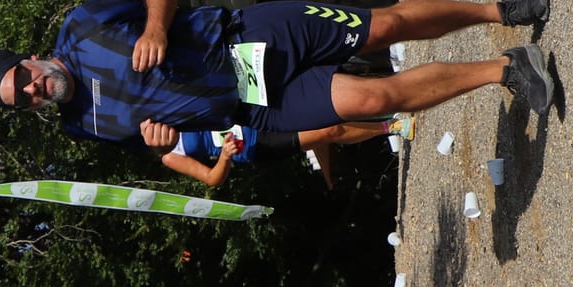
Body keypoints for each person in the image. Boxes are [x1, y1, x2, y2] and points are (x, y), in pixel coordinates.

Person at [0, 0, 552, 149]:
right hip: (252, 104)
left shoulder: (81, 27)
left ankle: (500, 11)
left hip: (252, 37)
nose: (31, 90)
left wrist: (154, 26)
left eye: (22, 78)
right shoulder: (83, 127)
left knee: (384, 27)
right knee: (376, 98)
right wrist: (160, 141)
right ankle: (507, 69)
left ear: (31, 59)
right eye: (21, 100)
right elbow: (161, 137)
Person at [155, 116, 415, 189]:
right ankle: (392, 127)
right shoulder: (169, 155)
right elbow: (213, 179)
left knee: (323, 111)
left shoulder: (166, 110)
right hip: (257, 144)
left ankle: (388, 101)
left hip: (253, 109)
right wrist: (225, 156)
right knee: (328, 131)